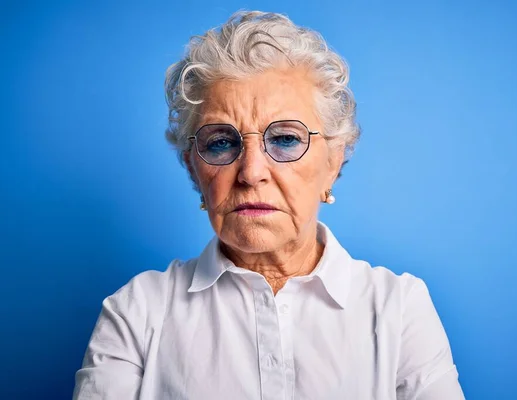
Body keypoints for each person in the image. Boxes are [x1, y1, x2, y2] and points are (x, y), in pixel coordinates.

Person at [73, 10, 464, 400]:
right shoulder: (137, 313)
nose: (252, 172)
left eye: (286, 139)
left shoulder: (398, 309)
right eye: (221, 142)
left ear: (332, 162)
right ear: (195, 169)